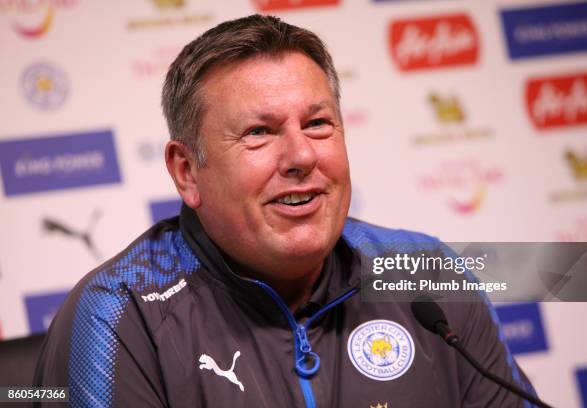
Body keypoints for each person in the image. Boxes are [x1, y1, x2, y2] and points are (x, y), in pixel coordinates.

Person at [34, 15, 537, 407]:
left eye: (318, 123)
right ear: (187, 171)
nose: (301, 157)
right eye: (259, 132)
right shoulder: (118, 314)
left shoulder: (425, 271)